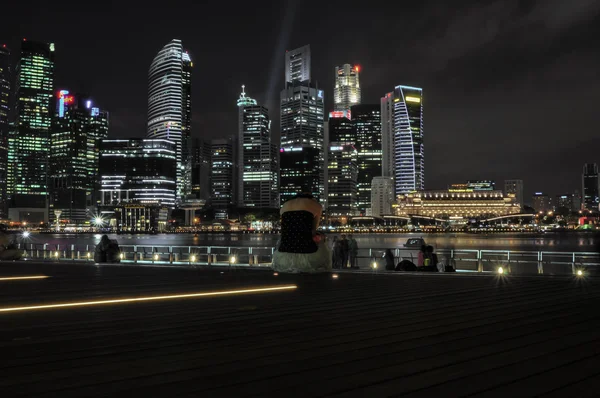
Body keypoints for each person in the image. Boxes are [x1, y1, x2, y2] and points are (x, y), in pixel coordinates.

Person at [271, 193, 332, 273]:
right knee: (322, 240)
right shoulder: (316, 205)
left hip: (282, 257)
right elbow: (314, 229)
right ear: (312, 198)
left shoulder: (285, 206)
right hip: (309, 256)